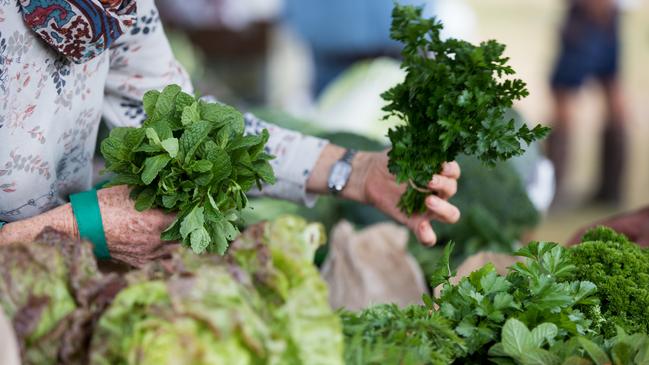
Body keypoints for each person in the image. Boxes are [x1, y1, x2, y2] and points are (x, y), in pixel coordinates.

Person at [0, 0, 461, 266]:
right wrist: (74, 227)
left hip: (41, 279)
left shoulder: (109, 6)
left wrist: (355, 171)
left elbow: (187, 123)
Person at [548, 0, 626, 206]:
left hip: (587, 13)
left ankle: (554, 191)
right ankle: (611, 191)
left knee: (563, 96)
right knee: (611, 87)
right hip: (612, 13)